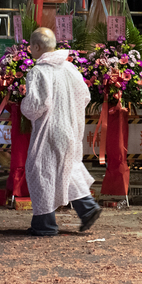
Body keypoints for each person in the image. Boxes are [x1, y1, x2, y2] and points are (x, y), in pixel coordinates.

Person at [21, 27, 101, 236]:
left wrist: (22, 105)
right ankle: (87, 207)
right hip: (70, 127)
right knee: (67, 168)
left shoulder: (38, 72)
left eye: (31, 46)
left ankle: (44, 224)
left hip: (49, 130)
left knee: (41, 172)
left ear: (37, 47)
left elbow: (36, 106)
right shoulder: (70, 69)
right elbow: (85, 96)